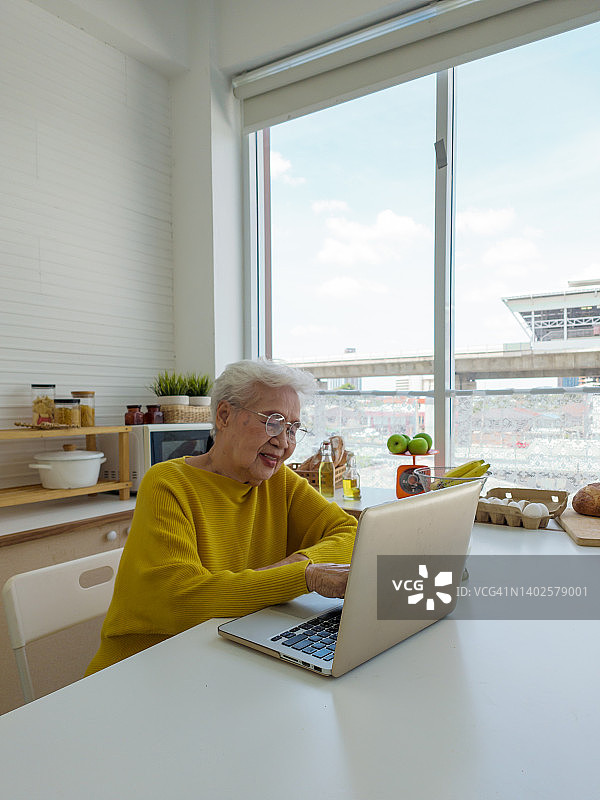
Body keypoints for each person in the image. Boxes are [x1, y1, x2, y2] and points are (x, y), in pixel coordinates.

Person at [85, 359, 357, 674]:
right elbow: (182, 600)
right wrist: (304, 575)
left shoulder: (279, 481)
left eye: (293, 428)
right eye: (273, 421)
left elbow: (349, 533)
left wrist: (290, 569)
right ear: (224, 415)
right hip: (143, 669)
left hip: (223, 658)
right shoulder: (168, 484)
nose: (284, 442)